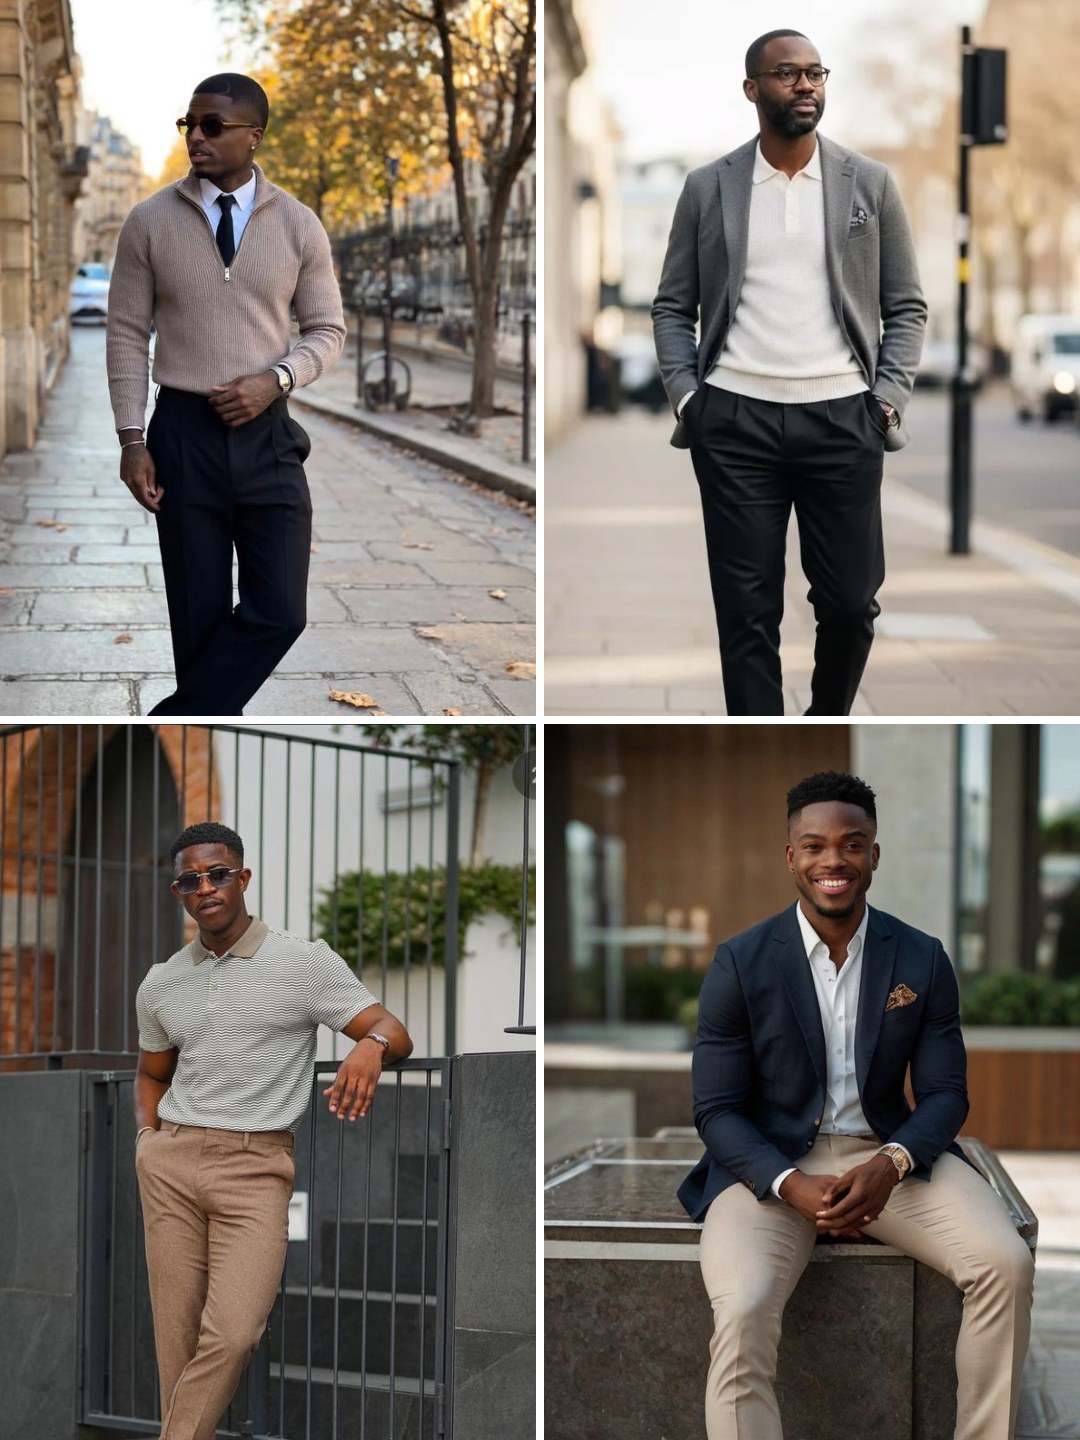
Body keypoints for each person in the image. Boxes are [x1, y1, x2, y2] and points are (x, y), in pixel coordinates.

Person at [680, 771, 1034, 1440]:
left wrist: (892, 1163)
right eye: (814, 845)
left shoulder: (922, 958)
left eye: (852, 843)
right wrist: (788, 1183)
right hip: (767, 1165)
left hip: (890, 1154)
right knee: (745, 1306)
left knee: (1005, 1263)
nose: (832, 860)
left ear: (875, 854)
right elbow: (716, 1109)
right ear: (792, 856)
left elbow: (945, 1095)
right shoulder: (740, 961)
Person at [652, 30, 928, 716]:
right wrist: (691, 399)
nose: (804, 85)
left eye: (814, 73)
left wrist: (885, 402)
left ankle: (824, 718)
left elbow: (907, 306)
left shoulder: (870, 183)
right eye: (785, 74)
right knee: (745, 614)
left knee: (850, 605)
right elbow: (670, 306)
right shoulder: (707, 187)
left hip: (844, 419)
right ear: (752, 89)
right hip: (735, 420)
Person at [133, 822, 410, 1440]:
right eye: (190, 879)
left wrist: (370, 1045)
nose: (205, 887)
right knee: (174, 1345)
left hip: (256, 1170)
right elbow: (151, 1073)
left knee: (233, 1334)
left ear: (243, 878)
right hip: (170, 1163)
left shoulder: (302, 960)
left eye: (218, 873)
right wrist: (148, 1142)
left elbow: (393, 1027)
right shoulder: (161, 982)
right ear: (179, 891)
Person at [106, 74, 346, 717]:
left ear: (254, 135)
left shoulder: (299, 225)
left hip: (269, 436)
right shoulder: (148, 222)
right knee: (198, 618)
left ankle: (174, 717)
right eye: (190, 124)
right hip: (181, 436)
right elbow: (127, 333)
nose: (197, 138)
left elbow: (328, 329)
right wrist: (132, 440)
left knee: (280, 611)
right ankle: (202, 719)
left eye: (214, 125)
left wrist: (279, 379)